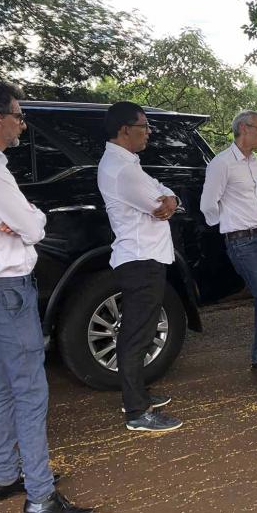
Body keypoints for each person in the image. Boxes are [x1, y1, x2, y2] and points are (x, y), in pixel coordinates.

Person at [0, 80, 91, 513]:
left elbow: (28, 221)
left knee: (4, 383)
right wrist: (29, 219)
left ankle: (7, 475)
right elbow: (33, 228)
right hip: (6, 290)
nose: (22, 125)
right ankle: (41, 496)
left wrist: (27, 218)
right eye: (18, 115)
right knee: (30, 389)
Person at [98, 101, 183, 433]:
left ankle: (136, 396)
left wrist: (170, 198)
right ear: (124, 130)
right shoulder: (123, 170)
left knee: (140, 331)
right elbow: (157, 202)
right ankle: (137, 412)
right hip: (141, 259)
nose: (148, 132)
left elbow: (163, 194)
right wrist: (168, 200)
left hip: (143, 257)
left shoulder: (127, 164)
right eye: (144, 126)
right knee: (136, 335)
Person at [201, 110, 257, 371]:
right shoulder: (222, 163)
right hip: (242, 242)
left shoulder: (254, 162)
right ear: (244, 129)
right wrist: (230, 226)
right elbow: (207, 205)